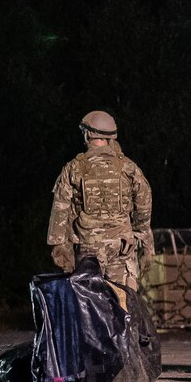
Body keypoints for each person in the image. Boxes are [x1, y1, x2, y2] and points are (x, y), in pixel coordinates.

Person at [46, 110, 153, 293]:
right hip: (122, 250)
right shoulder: (128, 167)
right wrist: (140, 235)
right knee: (122, 307)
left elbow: (60, 212)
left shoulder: (74, 168)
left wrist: (61, 253)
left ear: (88, 134)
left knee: (90, 309)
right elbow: (144, 203)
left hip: (88, 252)